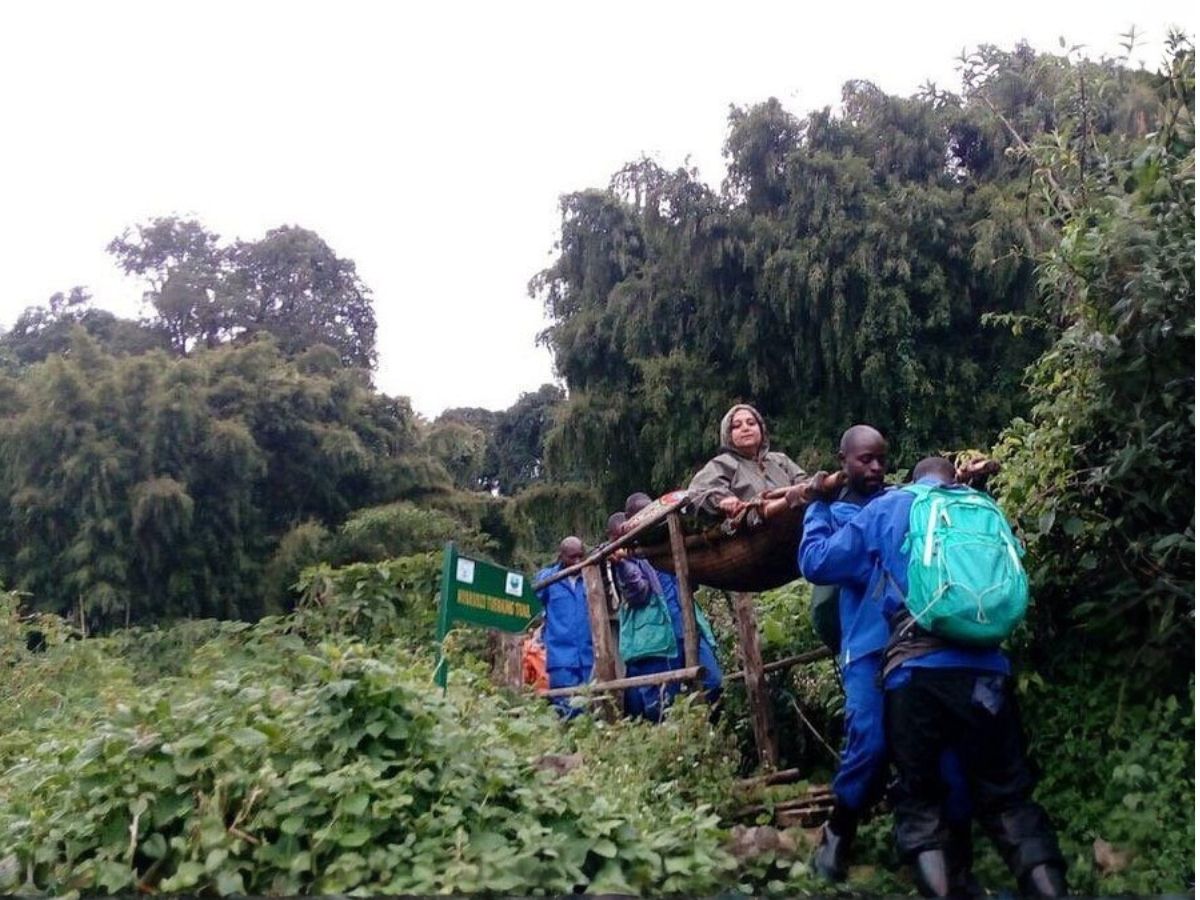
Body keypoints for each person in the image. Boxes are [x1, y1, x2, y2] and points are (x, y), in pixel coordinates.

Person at [799, 455, 1067, 898]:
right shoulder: (983, 506)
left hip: (918, 672)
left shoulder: (892, 507)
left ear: (914, 479)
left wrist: (815, 507)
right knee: (1010, 799)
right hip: (988, 670)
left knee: (921, 802)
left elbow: (818, 563)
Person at [801, 427, 976, 888]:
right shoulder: (840, 515)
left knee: (943, 748)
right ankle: (839, 831)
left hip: (924, 647)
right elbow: (817, 562)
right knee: (871, 743)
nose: (875, 468)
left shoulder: (910, 504)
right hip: (868, 648)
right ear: (843, 460)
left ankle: (951, 855)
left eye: (881, 459)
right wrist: (816, 507)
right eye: (864, 460)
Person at [606, 509, 723, 721]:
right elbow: (637, 593)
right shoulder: (627, 558)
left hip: (688, 628)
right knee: (661, 705)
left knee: (713, 683)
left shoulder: (671, 541)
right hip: (657, 638)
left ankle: (706, 733)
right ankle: (678, 745)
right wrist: (623, 562)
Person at [687, 403, 807, 522]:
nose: (745, 428)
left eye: (751, 423)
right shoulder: (722, 464)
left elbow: (805, 482)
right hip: (754, 532)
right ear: (728, 435)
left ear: (761, 429)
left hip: (797, 520)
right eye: (736, 426)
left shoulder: (780, 460)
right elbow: (698, 492)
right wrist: (722, 500)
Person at [534, 537, 593, 718]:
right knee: (564, 708)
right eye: (571, 557)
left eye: (580, 556)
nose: (576, 562)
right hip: (561, 657)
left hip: (588, 656)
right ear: (561, 556)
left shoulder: (591, 578)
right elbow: (533, 598)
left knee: (589, 706)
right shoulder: (549, 579)